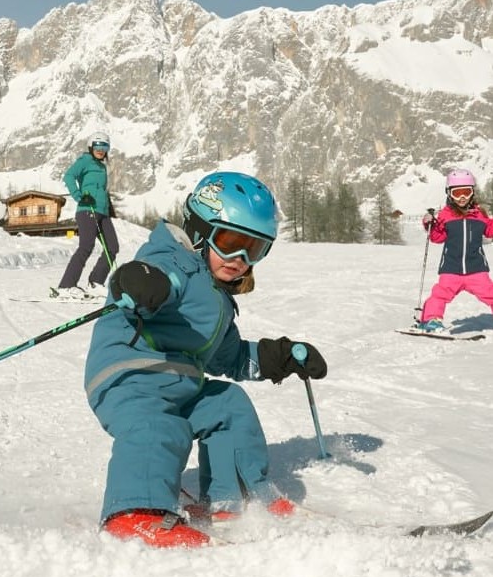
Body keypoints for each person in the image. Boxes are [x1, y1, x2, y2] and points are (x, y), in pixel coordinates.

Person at [83, 171, 328, 548]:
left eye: (254, 249)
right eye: (230, 243)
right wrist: (140, 282)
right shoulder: (173, 262)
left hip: (179, 384)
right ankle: (134, 513)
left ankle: (232, 498)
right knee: (160, 427)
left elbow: (229, 358)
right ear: (199, 231)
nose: (240, 259)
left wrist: (277, 357)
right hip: (131, 379)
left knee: (229, 404)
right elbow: (152, 278)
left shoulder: (217, 299)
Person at [416, 168, 493, 332]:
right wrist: (430, 225)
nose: (462, 197)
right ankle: (430, 320)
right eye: (457, 193)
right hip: (451, 269)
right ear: (449, 193)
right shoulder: (445, 215)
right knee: (440, 295)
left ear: (472, 192)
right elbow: (437, 238)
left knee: (490, 293)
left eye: (466, 192)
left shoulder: (479, 214)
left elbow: (489, 230)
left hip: (476, 268)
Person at [54, 133, 120, 299]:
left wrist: (108, 209)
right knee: (86, 247)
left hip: (103, 213)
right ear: (91, 147)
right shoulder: (85, 161)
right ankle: (66, 286)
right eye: (97, 146)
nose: (100, 150)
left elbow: (101, 190)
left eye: (104, 146)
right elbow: (69, 176)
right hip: (87, 210)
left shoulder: (101, 166)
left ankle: (95, 283)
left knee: (112, 247)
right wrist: (79, 196)